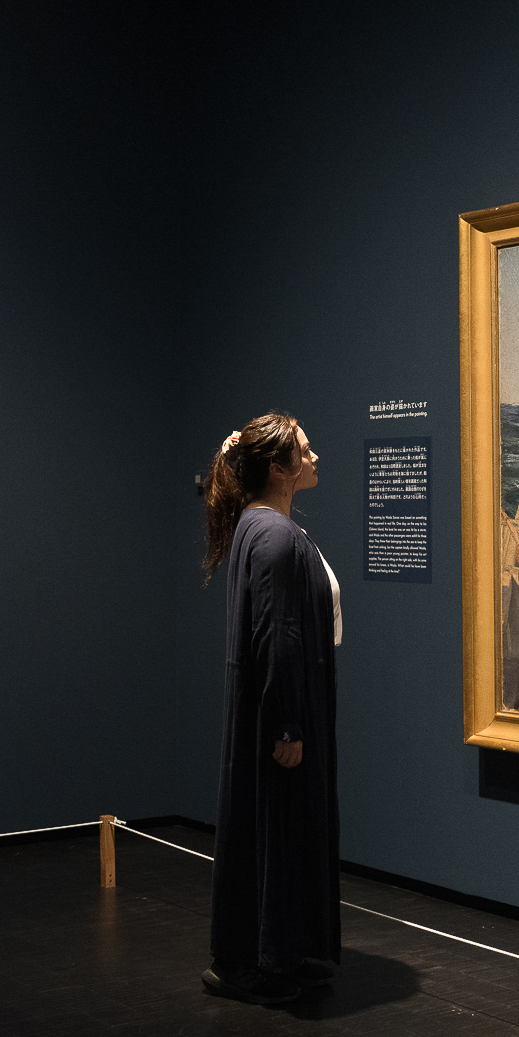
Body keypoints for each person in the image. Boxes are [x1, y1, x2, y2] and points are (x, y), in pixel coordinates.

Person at [200, 412, 341, 1006]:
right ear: (279, 471)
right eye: (304, 452)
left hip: (278, 704)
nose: (315, 458)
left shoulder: (257, 526)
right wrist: (288, 724)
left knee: (278, 827)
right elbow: (276, 633)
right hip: (282, 710)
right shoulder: (275, 536)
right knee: (278, 828)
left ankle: (282, 950)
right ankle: (258, 960)